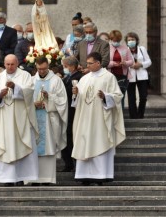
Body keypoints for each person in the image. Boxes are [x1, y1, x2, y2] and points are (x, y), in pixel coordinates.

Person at [72, 52, 126, 185]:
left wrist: (105, 97)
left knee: (99, 142)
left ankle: (101, 175)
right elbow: (79, 101)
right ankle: (84, 176)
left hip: (100, 119)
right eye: (87, 63)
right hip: (85, 119)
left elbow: (118, 96)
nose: (87, 65)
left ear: (98, 63)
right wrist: (77, 94)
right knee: (85, 143)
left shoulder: (108, 77)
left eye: (90, 63)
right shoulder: (84, 79)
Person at [0, 54, 38, 186]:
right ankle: (7, 178)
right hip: (4, 118)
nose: (10, 67)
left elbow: (30, 91)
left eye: (12, 64)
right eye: (7, 64)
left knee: (21, 144)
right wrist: (0, 95)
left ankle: (21, 177)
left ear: (17, 63)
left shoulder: (25, 75)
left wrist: (15, 87)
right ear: (4, 64)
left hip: (20, 118)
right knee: (5, 144)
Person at [30, 57, 67, 185]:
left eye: (44, 68)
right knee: (33, 147)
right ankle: (34, 178)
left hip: (49, 119)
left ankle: (47, 179)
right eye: (39, 69)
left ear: (48, 66)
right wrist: (33, 104)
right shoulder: (31, 80)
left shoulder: (56, 81)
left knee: (48, 147)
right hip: (34, 119)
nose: (41, 71)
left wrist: (48, 99)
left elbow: (63, 101)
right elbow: (25, 100)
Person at [61, 56, 83, 172]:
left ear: (73, 66)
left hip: (73, 112)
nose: (64, 68)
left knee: (71, 137)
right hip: (66, 110)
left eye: (66, 66)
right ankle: (68, 162)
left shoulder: (79, 77)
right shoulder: (67, 77)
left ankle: (73, 162)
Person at [125, 32, 152, 119]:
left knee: (143, 97)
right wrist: (131, 65)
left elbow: (149, 62)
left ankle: (140, 115)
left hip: (142, 76)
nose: (131, 41)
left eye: (132, 39)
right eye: (129, 40)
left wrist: (140, 64)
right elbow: (122, 63)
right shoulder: (125, 50)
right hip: (130, 76)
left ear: (136, 40)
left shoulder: (142, 49)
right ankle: (133, 116)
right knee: (131, 98)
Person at [107, 30, 134, 108]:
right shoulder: (107, 48)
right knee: (111, 96)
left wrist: (125, 63)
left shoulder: (125, 48)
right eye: (114, 40)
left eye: (118, 41)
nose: (116, 42)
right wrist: (112, 64)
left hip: (122, 76)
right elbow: (104, 62)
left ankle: (120, 116)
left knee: (121, 96)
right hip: (110, 76)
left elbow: (131, 61)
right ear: (111, 39)